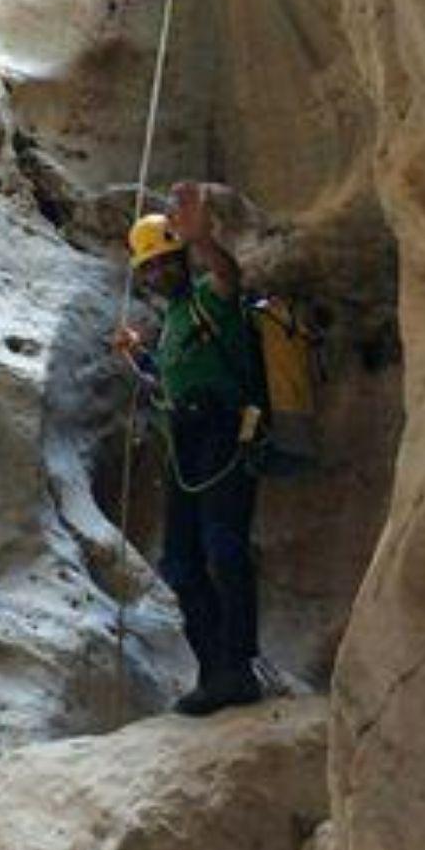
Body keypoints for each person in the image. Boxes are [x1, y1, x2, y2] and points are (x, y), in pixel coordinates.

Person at [115, 181, 262, 715]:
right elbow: (167, 382)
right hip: (185, 440)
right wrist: (138, 360)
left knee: (224, 548)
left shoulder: (207, 297)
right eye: (148, 269)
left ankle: (240, 668)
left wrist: (202, 237)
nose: (156, 274)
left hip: (224, 431)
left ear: (181, 259)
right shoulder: (174, 322)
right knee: (179, 561)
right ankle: (213, 672)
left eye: (163, 262)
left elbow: (229, 277)